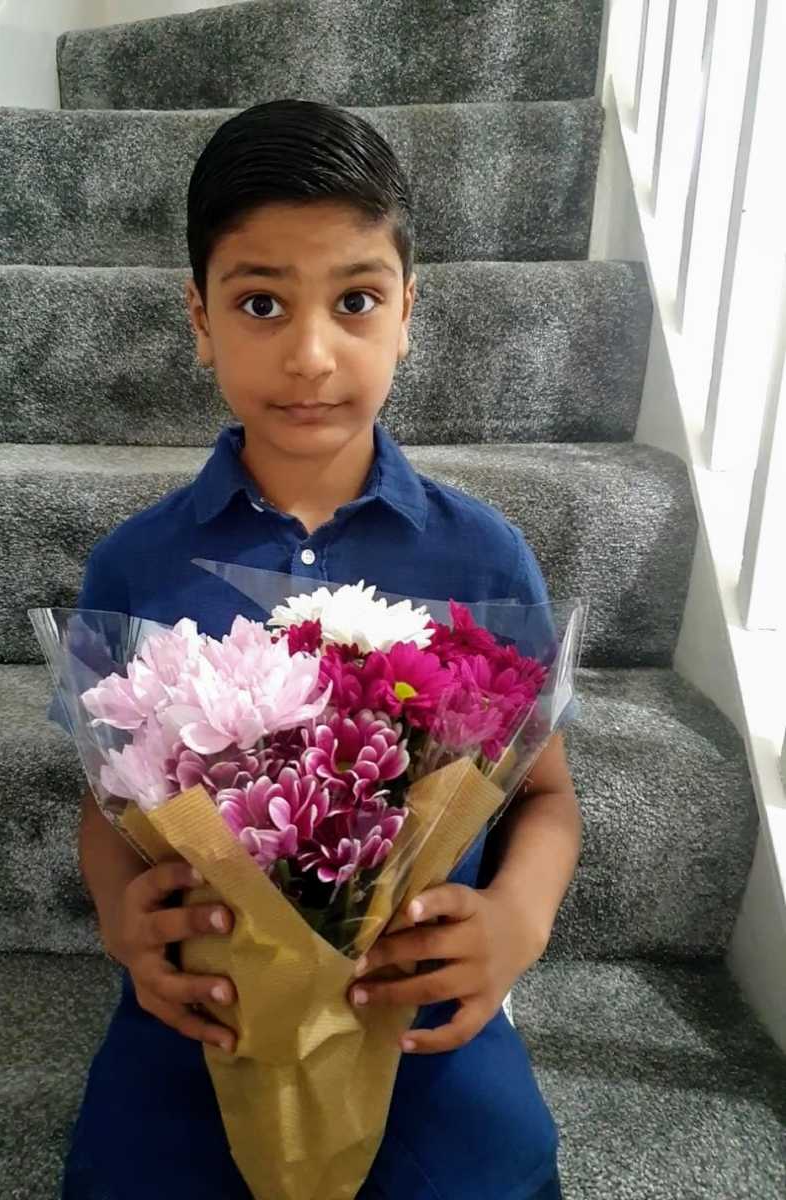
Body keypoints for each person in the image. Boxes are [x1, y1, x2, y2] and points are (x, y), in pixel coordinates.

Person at [52, 98, 581, 1200]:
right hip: (211, 1008)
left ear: (407, 314)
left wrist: (515, 923)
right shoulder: (132, 569)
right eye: (259, 302)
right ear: (198, 319)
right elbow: (108, 812)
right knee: (130, 1172)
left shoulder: (484, 558)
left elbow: (544, 798)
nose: (310, 353)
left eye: (355, 300)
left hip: (413, 999)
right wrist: (121, 921)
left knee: (495, 1169)